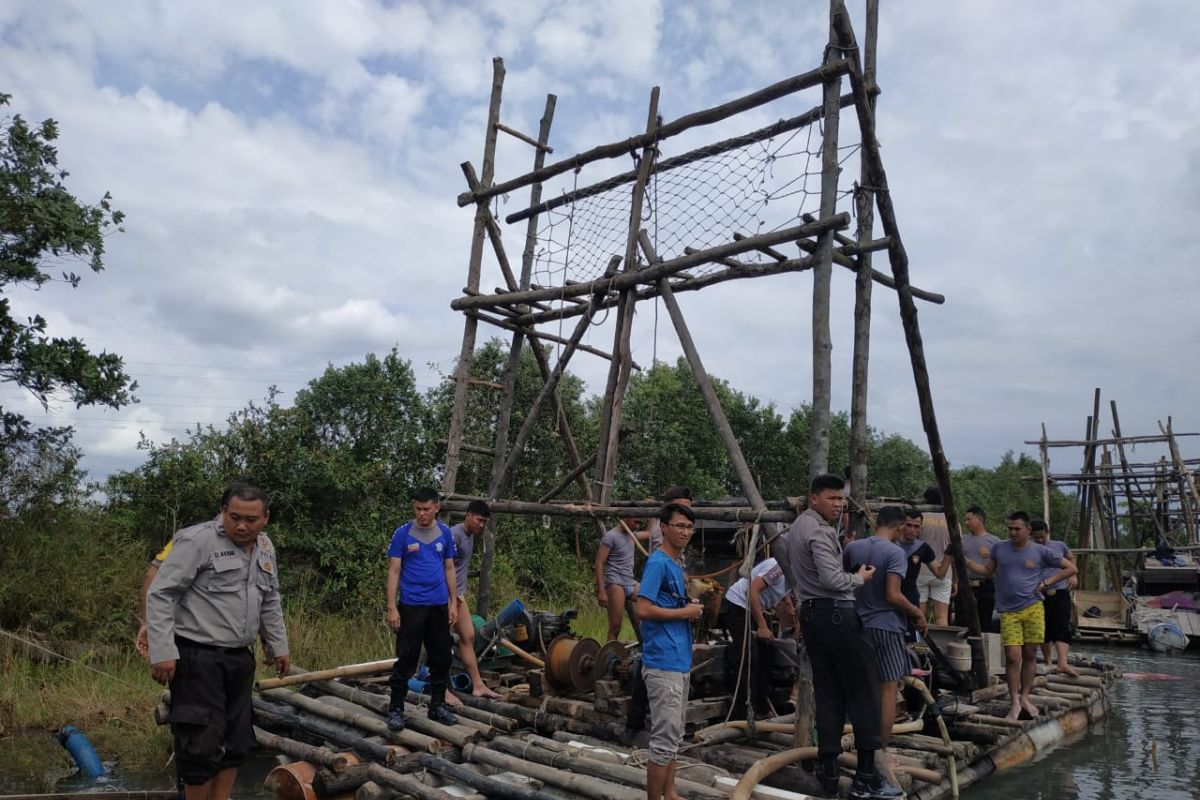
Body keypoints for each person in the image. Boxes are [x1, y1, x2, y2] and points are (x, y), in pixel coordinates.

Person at [145, 484, 289, 800]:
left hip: (239, 659)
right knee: (199, 743)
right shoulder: (197, 540)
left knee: (236, 741)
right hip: (198, 657)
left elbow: (270, 599)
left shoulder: (265, 547)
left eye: (250, 519)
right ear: (223, 510)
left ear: (265, 518)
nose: (241, 525)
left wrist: (277, 646)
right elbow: (161, 593)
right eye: (234, 516)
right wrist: (162, 651)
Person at [784, 473, 896, 800]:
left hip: (813, 616)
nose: (838, 505)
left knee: (830, 693)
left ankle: (829, 775)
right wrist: (859, 578)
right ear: (814, 498)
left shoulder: (799, 527)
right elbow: (833, 579)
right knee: (864, 691)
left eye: (841, 499)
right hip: (836, 613)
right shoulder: (818, 530)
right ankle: (865, 779)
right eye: (832, 499)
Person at [965, 511, 1076, 721]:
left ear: (1028, 530)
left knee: (1030, 654)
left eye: (1017, 529)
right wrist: (965, 562)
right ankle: (1014, 701)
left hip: (1033, 607)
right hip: (1008, 610)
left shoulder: (1041, 551)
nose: (1013, 532)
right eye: (1010, 528)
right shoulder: (999, 548)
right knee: (1013, 655)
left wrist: (1046, 583)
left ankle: (1025, 696)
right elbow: (986, 570)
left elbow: (1070, 568)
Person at [844, 506, 926, 770]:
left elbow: (845, 583)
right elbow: (892, 594)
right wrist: (917, 613)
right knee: (888, 688)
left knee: (858, 687)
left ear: (876, 521)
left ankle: (857, 742)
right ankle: (881, 749)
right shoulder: (895, 552)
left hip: (855, 624)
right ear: (901, 526)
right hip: (886, 626)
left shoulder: (852, 548)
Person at [635, 502, 704, 800]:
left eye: (689, 527)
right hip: (662, 662)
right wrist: (685, 613)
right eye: (679, 526)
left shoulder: (676, 564)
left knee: (674, 733)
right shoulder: (658, 563)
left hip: (678, 660)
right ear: (663, 527)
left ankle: (670, 792)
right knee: (663, 738)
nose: (685, 532)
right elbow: (643, 608)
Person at [386, 487, 459, 731]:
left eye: (426, 509)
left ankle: (437, 706)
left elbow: (449, 568)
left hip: (438, 605)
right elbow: (394, 571)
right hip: (411, 606)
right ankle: (396, 708)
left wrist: (452, 603)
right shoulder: (403, 534)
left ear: (436, 508)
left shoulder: (445, 534)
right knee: (407, 657)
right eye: (417, 508)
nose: (422, 513)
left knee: (441, 656)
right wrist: (391, 607)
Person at [720, 555, 793, 719]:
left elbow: (784, 587)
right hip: (739, 604)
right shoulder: (778, 568)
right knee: (748, 656)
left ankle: (760, 706)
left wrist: (787, 603)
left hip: (754, 606)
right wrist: (762, 626)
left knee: (768, 654)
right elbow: (751, 591)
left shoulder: (793, 572)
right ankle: (743, 713)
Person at [447, 500, 502, 701]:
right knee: (442, 641)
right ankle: (441, 688)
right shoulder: (454, 535)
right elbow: (445, 569)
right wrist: (450, 601)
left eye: (485, 522)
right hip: (446, 596)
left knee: (469, 636)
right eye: (479, 520)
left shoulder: (470, 536)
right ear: (468, 515)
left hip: (458, 596)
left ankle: (478, 685)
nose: (481, 525)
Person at [1031, 519, 1078, 676]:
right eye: (1036, 537)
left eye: (1042, 537)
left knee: (1062, 625)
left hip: (1059, 590)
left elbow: (1071, 559)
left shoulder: (1059, 546)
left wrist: (1073, 576)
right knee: (1043, 629)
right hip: (1038, 594)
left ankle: (1062, 662)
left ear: (1047, 533)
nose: (1039, 540)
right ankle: (1048, 661)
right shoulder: (1030, 549)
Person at [898, 509, 951, 630]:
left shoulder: (922, 548)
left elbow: (940, 573)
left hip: (911, 597)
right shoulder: (891, 543)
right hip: (891, 596)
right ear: (901, 524)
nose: (912, 530)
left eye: (916, 526)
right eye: (909, 525)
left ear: (921, 528)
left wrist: (949, 554)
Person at [595, 514, 642, 642]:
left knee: (652, 599)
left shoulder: (632, 535)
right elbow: (599, 563)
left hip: (630, 583)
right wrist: (602, 591)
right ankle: (609, 657)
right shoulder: (611, 536)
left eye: (639, 523)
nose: (637, 526)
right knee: (615, 626)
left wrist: (653, 517)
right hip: (615, 583)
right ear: (625, 518)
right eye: (635, 522)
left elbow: (650, 533)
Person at [916, 487, 954, 626]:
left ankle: (918, 645)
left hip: (920, 570)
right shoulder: (952, 521)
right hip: (944, 572)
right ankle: (941, 645)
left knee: (919, 614)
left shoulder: (920, 519)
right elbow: (955, 552)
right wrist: (955, 580)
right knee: (942, 617)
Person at [959, 507, 1001, 633]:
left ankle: (982, 651)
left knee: (984, 623)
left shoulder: (995, 542)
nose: (966, 523)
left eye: (969, 519)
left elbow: (998, 567)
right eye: (965, 520)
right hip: (965, 586)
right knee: (962, 623)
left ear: (980, 519)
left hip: (984, 587)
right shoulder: (962, 540)